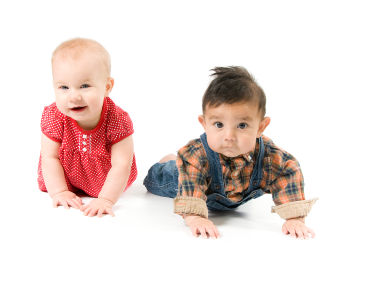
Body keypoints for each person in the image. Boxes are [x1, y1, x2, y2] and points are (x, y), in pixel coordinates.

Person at [144, 66, 318, 239]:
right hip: (186, 180)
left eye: (242, 125)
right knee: (158, 178)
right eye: (219, 125)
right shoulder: (195, 157)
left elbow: (288, 172)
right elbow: (190, 194)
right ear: (204, 124)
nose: (229, 136)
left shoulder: (271, 158)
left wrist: (295, 219)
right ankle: (169, 162)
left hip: (231, 194)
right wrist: (195, 218)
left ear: (260, 127)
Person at [38, 38, 137, 217]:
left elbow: (122, 164)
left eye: (84, 86)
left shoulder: (117, 119)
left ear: (107, 87)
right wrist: (59, 191)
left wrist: (106, 199)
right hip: (64, 175)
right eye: (64, 87)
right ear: (54, 86)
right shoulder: (55, 116)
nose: (74, 96)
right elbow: (49, 157)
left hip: (108, 179)